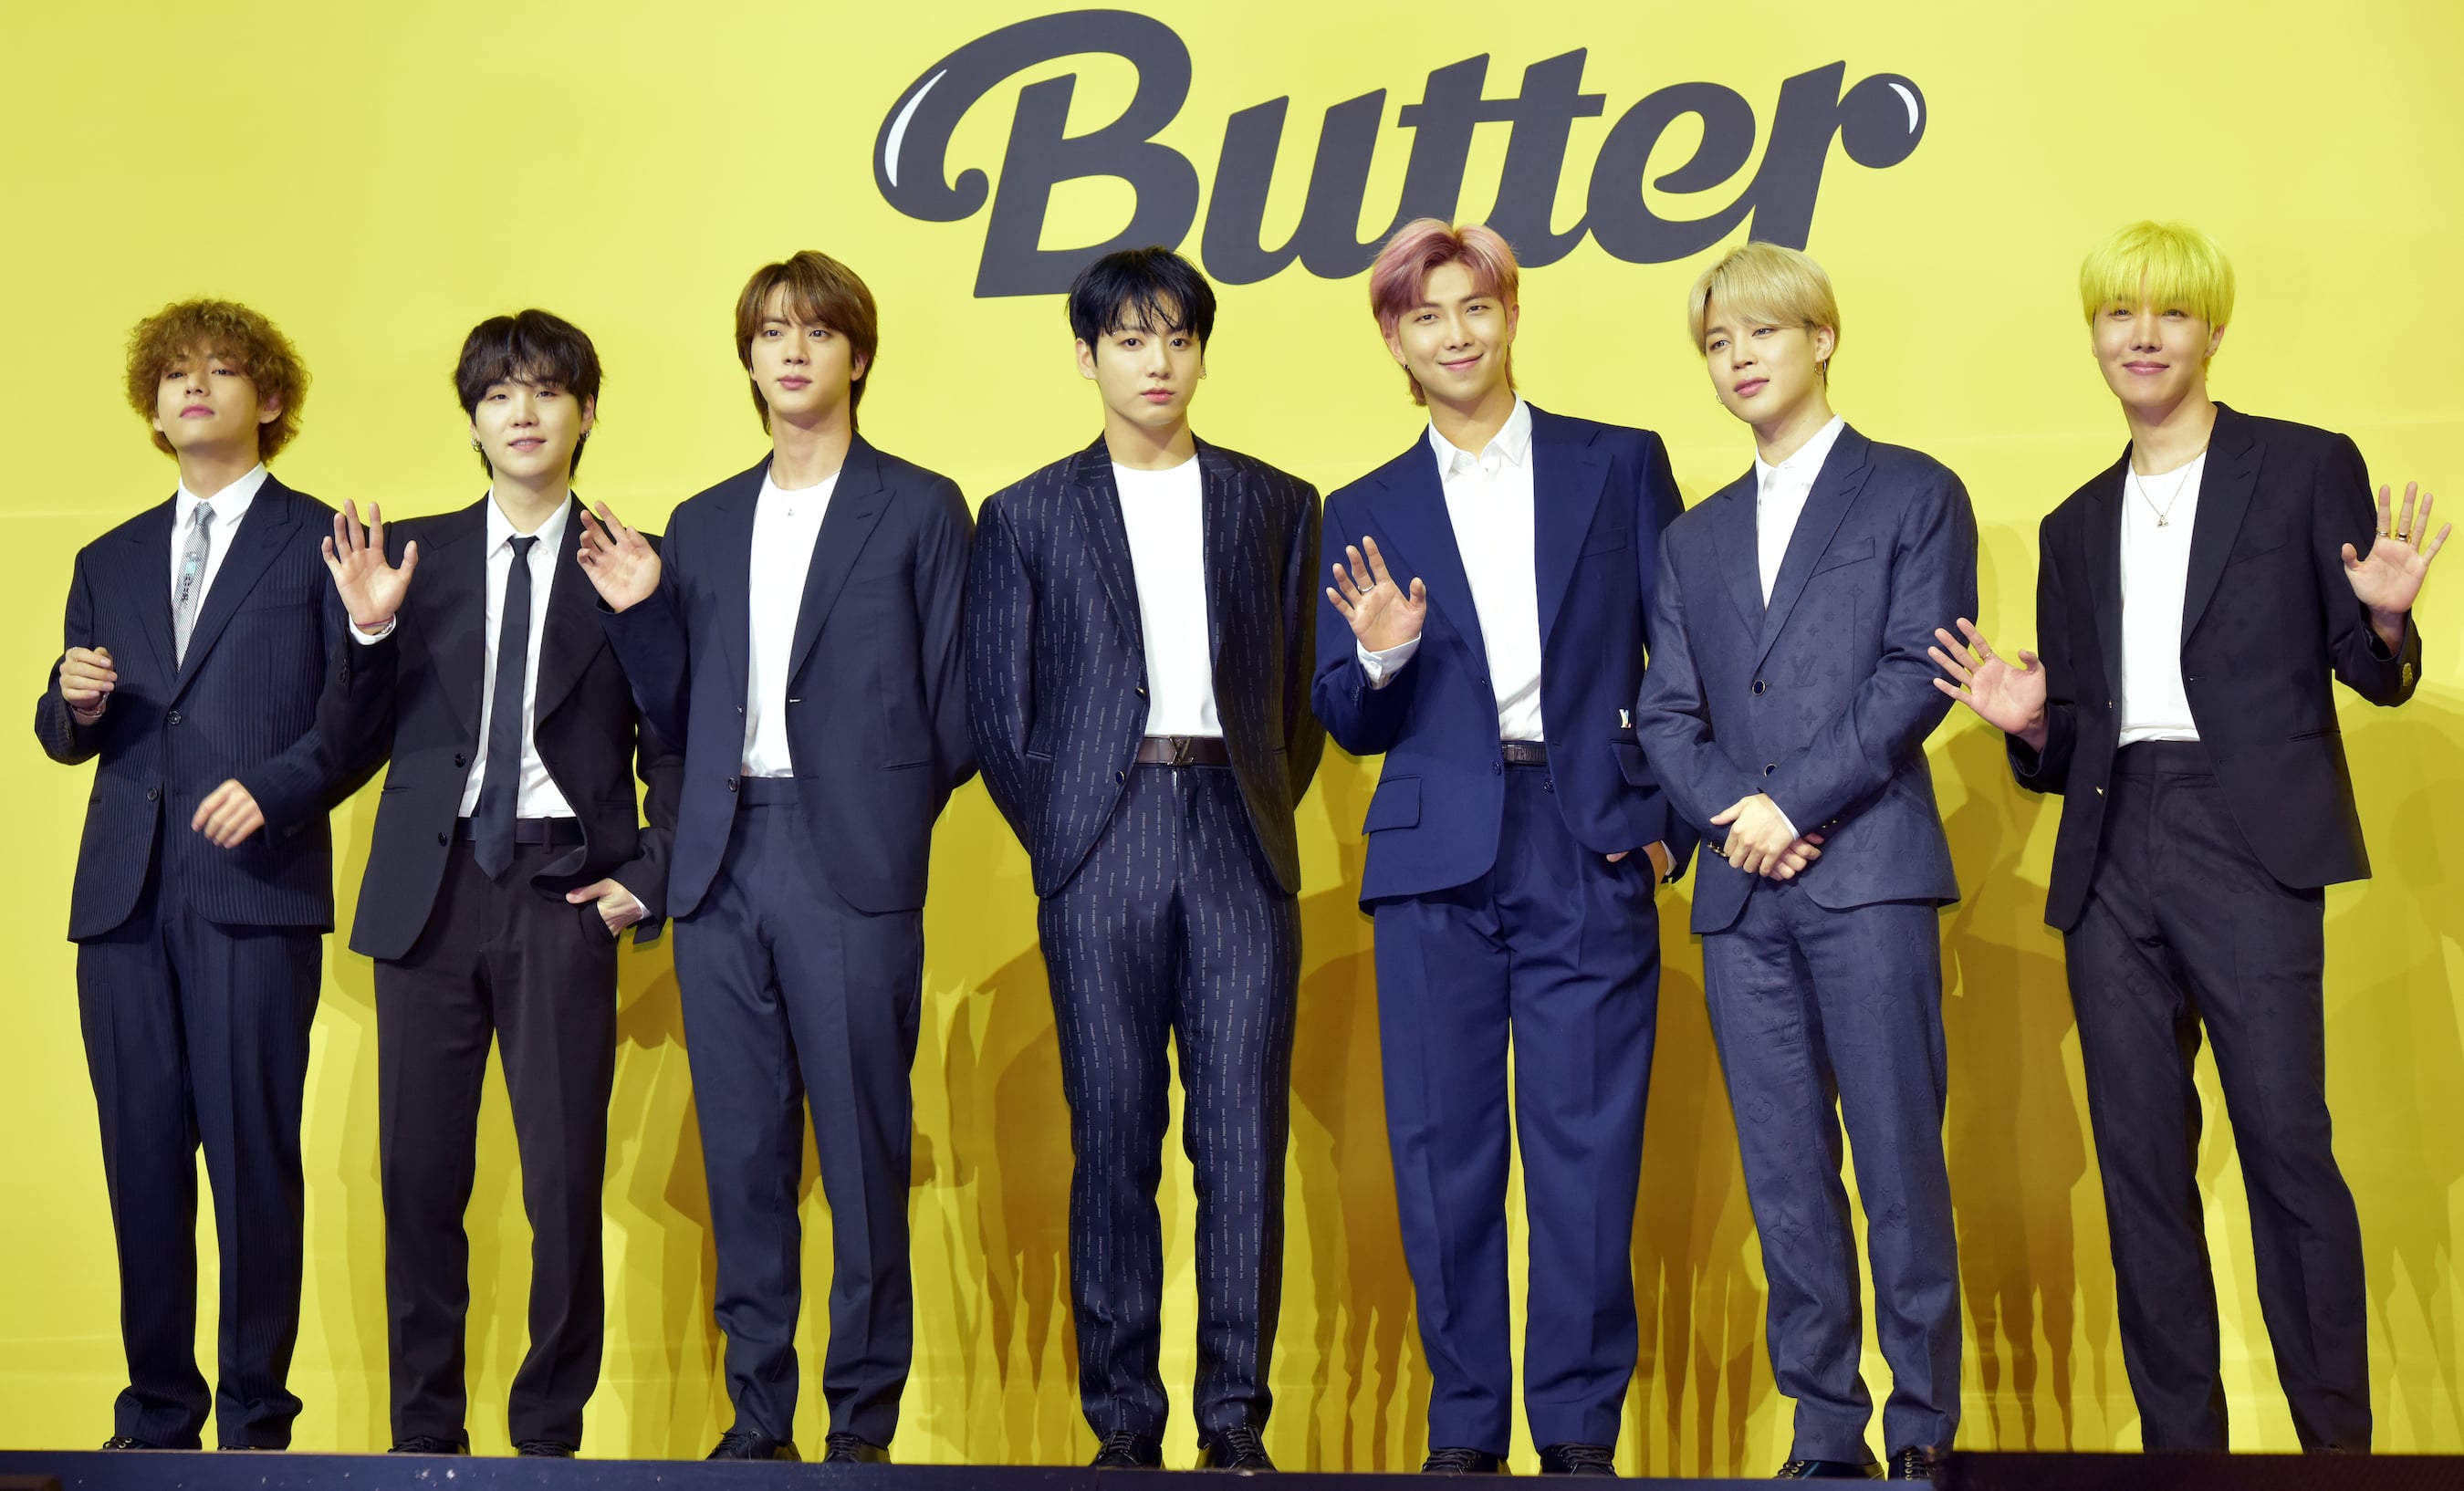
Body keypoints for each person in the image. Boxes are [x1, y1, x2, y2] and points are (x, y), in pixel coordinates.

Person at [1930, 220, 2444, 1452]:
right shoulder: (2072, 523)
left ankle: (2337, 1454)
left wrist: (2384, 623)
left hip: (2249, 836)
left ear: (2213, 328)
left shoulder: (2304, 465)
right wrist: (2029, 724)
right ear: (2095, 336)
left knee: (2288, 1148)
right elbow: (2071, 743)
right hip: (2114, 848)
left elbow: (2368, 673)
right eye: (2120, 314)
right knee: (2141, 1170)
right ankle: (2181, 1458)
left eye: (2170, 312)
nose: (2144, 335)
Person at [576, 250, 974, 1463]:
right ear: (747, 359)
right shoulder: (699, 524)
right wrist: (643, 610)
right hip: (720, 860)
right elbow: (673, 711)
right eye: (771, 332)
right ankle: (757, 1418)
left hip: (851, 860)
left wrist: (882, 819)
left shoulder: (921, 506)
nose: (793, 350)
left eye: (818, 330)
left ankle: (861, 1424)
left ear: (859, 353)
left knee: (861, 1151)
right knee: (743, 1155)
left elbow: (956, 707)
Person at [1312, 219, 1691, 1475]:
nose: (1456, 334)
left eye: (1475, 306)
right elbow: (1343, 713)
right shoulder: (1363, 506)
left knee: (1589, 1148)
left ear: (1512, 314)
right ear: (1394, 340)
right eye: (1426, 316)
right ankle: (1466, 1427)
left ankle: (1578, 1429)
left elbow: (1685, 656)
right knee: (1442, 1149)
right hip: (1434, 855)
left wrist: (1666, 827)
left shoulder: (1618, 462)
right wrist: (1380, 655)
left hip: (1588, 835)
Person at [963, 246, 1323, 1471]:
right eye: (1129, 339)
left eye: (1177, 337)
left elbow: (1298, 700)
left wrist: (1254, 798)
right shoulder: (1024, 514)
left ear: (1202, 352)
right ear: (1087, 356)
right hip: (1098, 842)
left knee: (1241, 1141)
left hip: (1236, 826)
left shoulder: (1277, 502)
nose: (1156, 361)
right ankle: (1122, 1422)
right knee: (1111, 1137)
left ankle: (1234, 1420)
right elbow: (1000, 715)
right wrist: (1070, 833)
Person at [1634, 242, 1974, 1481]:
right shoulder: (1694, 537)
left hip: (1868, 870)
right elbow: (1667, 711)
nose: (1739, 360)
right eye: (1718, 343)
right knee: (1785, 1179)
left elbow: (1915, 672)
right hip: (1742, 894)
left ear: (1822, 339)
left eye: (1762, 333)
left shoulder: (1913, 492)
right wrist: (1743, 815)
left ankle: (1924, 1428)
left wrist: (1794, 802)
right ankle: (1826, 1430)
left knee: (1898, 1163)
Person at [319, 309, 681, 1457]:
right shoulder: (408, 560)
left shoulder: (629, 558)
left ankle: (548, 1437)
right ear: (472, 420)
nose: (522, 411)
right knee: (417, 1176)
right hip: (429, 894)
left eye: (546, 390)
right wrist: (367, 634)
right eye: (497, 394)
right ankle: (426, 1434)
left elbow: (678, 737)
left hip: (562, 886)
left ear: (586, 410)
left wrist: (647, 873)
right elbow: (343, 744)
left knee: (564, 1180)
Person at [37, 299, 372, 1451]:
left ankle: (257, 1418)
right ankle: (157, 1411)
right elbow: (67, 729)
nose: (194, 387)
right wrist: (69, 700)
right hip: (123, 898)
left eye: (222, 369)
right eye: (174, 373)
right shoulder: (109, 557)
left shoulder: (322, 539)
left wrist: (279, 788)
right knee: (139, 1160)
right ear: (152, 405)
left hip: (253, 889)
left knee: (251, 1157)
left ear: (269, 399)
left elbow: (358, 716)